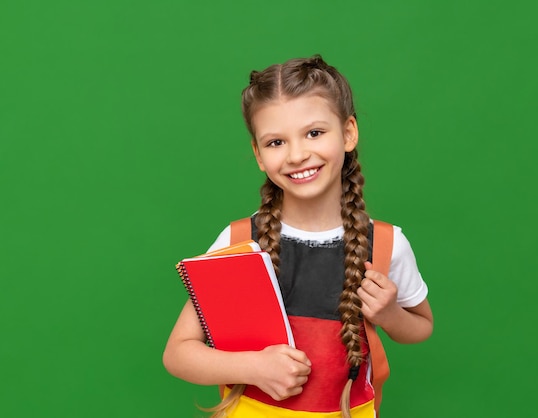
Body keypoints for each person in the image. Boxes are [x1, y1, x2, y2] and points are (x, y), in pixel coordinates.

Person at [163, 55, 434, 418]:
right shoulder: (239, 240)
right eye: (276, 142)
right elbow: (178, 353)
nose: (297, 154)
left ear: (349, 132)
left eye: (314, 133)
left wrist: (388, 314)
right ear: (258, 155)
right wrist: (253, 368)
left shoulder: (385, 244)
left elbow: (420, 327)